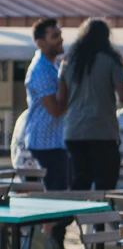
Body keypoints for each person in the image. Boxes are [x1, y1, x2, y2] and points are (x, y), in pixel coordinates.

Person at [59, 18, 123, 191]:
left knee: (80, 180)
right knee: (106, 182)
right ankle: (100, 218)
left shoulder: (68, 63)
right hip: (103, 130)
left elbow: (61, 99)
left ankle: (77, 216)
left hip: (73, 131)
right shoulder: (111, 61)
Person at [23, 18, 71, 192]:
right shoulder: (40, 70)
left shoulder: (53, 66)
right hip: (45, 146)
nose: (60, 39)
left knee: (60, 204)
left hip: (55, 144)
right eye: (55, 36)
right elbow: (56, 110)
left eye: (60, 35)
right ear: (40, 43)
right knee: (54, 204)